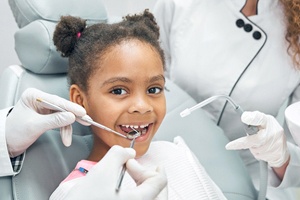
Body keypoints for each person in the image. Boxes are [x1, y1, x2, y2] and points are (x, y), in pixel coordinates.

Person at [49, 10, 228, 199]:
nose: (143, 106)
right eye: (118, 91)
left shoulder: (176, 154)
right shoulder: (76, 192)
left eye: (154, 89)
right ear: (80, 100)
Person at [153, 0, 300, 199]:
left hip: (253, 176)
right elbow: (147, 82)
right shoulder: (179, 4)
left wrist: (280, 155)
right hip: (162, 153)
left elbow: (296, 163)